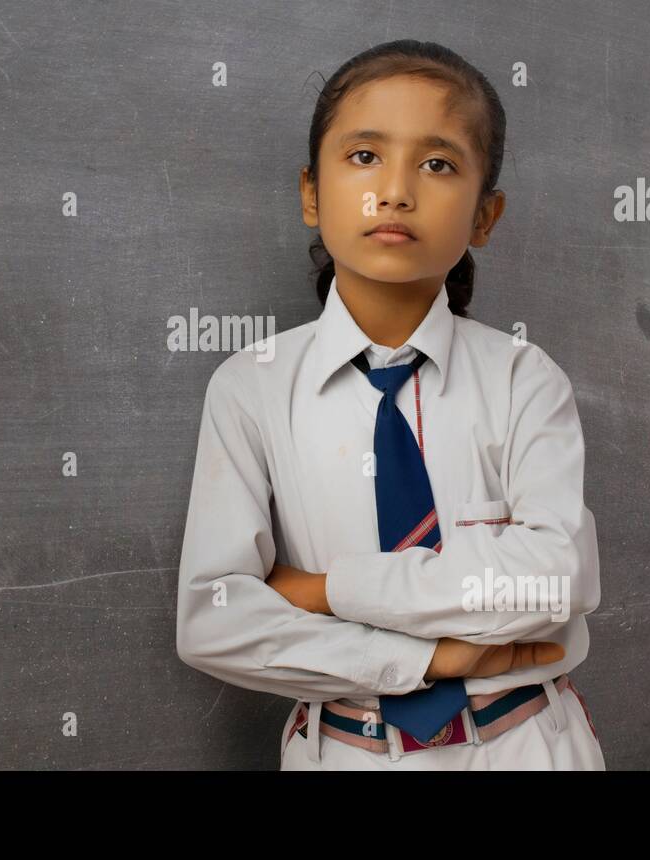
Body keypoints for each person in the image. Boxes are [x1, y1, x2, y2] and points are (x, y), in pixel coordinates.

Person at [175, 39, 604, 770]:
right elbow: (214, 621)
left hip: (525, 744)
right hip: (348, 750)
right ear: (312, 193)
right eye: (365, 156)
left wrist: (325, 588)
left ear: (484, 217)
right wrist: (429, 658)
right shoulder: (251, 387)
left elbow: (553, 582)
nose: (395, 191)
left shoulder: (524, 379)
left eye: (437, 164)